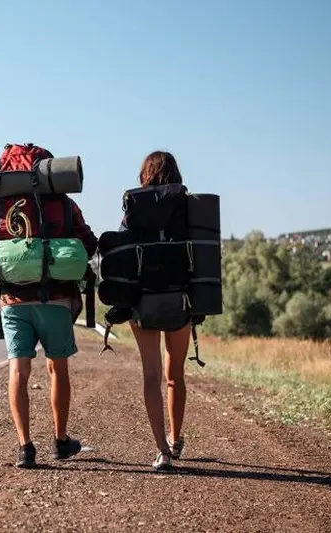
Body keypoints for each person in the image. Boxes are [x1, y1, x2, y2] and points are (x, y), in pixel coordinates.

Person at [0, 145, 98, 468]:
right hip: (56, 298)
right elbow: (87, 242)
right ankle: (60, 441)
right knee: (57, 368)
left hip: (13, 300)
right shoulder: (62, 202)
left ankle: (24, 447)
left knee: (18, 369)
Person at [125, 150, 191, 472]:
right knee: (174, 374)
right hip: (180, 300)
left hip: (143, 302)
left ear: (144, 174)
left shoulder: (134, 206)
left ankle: (162, 452)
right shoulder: (187, 206)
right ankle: (176, 439)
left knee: (150, 376)